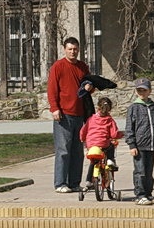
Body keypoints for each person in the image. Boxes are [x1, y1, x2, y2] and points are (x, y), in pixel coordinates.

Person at [47, 37, 90, 193]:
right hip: (63, 115)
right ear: (64, 49)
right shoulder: (58, 67)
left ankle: (74, 183)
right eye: (70, 49)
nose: (73, 52)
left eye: (75, 49)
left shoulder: (82, 67)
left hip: (79, 115)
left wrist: (90, 86)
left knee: (77, 151)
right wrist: (54, 108)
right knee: (63, 150)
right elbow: (52, 89)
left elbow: (88, 85)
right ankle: (60, 183)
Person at [125, 78, 154, 206]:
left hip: (152, 145)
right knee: (140, 172)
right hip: (139, 146)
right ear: (136, 92)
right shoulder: (133, 108)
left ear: (150, 91)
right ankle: (140, 194)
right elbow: (129, 128)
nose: (142, 92)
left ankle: (148, 193)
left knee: (149, 172)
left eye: (144, 90)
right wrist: (132, 144)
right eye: (139, 90)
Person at [80, 96, 122, 189]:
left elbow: (83, 131)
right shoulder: (110, 120)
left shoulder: (91, 119)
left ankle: (88, 180)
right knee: (111, 145)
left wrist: (83, 139)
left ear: (97, 107)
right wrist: (121, 135)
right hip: (103, 143)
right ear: (110, 109)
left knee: (94, 161)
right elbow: (114, 134)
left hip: (91, 144)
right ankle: (110, 160)